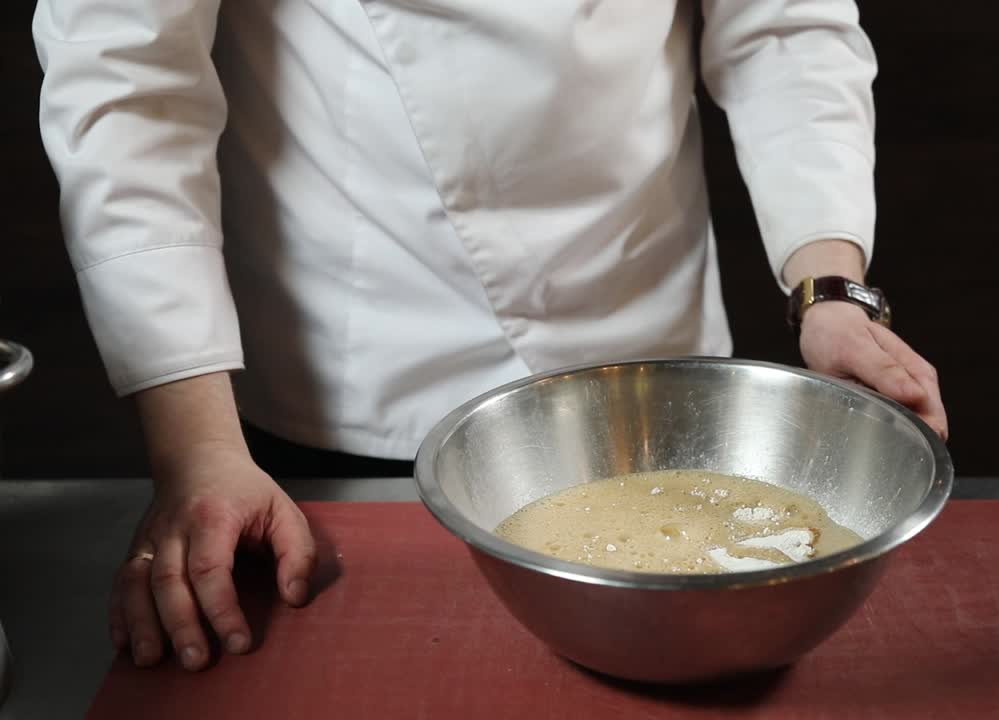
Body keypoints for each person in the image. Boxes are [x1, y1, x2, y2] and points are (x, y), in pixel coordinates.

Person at [33, 0, 947, 672]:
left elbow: (783, 26)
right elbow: (126, 82)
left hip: (659, 357)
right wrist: (196, 450)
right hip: (362, 392)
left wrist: (829, 287)